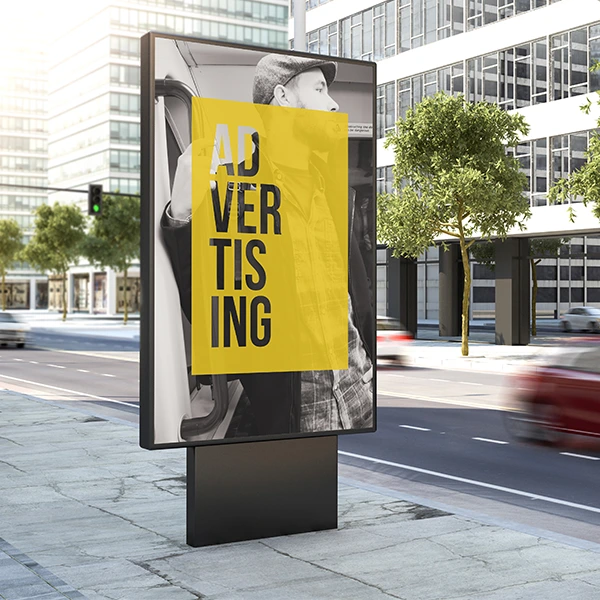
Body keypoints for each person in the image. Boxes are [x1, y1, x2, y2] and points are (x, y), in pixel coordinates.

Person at [161, 54, 373, 438]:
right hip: (294, 414)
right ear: (284, 98)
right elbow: (210, 305)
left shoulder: (337, 194)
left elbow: (356, 300)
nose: (334, 104)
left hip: (359, 396)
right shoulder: (235, 191)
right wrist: (181, 212)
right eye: (320, 89)